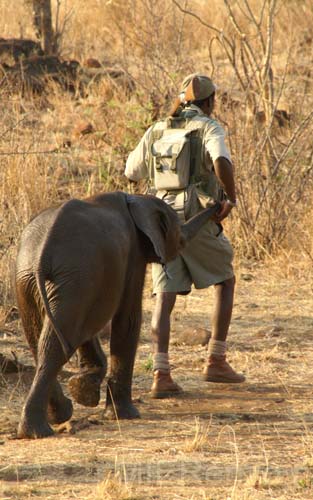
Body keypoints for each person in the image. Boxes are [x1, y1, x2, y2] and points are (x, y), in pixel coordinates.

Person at [125, 73, 245, 398]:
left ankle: (161, 374)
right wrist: (230, 198)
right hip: (197, 218)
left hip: (160, 220)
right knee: (226, 279)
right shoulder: (208, 127)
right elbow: (221, 160)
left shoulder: (158, 128)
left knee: (164, 297)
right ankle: (216, 360)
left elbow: (131, 171)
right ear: (209, 102)